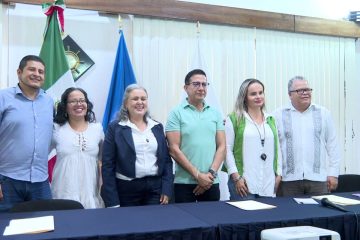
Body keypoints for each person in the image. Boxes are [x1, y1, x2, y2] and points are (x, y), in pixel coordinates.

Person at [101, 84, 173, 207]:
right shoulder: (115, 128)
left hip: (155, 189)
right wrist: (112, 200)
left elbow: (166, 160)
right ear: (125, 104)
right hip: (126, 190)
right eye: (135, 99)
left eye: (143, 99)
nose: (140, 102)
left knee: (155, 225)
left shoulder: (157, 127)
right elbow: (108, 165)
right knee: (130, 225)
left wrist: (166, 188)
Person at [0, 55, 53, 212]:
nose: (37, 74)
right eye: (32, 69)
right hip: (8, 181)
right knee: (6, 232)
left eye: (41, 71)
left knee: (45, 230)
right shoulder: (3, 97)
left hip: (40, 182)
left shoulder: (49, 101)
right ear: (19, 72)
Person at [273, 76, 341, 196]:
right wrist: (276, 174)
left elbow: (333, 145)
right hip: (288, 181)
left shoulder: (323, 113)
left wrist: (333, 173)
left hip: (318, 180)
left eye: (307, 89)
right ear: (290, 94)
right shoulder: (277, 116)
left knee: (321, 214)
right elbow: (274, 148)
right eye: (300, 90)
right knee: (289, 214)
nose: (305, 93)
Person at [166, 69, 226, 203]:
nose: (201, 88)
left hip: (212, 181)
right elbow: (174, 149)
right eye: (196, 84)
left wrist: (209, 175)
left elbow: (222, 146)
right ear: (186, 87)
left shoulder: (215, 113)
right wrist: (198, 176)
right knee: (186, 223)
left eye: (204, 84)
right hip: (184, 183)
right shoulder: (176, 113)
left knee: (213, 222)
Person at [224, 79, 282, 200]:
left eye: (261, 93)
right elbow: (226, 150)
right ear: (244, 97)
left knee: (267, 218)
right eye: (253, 94)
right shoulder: (235, 119)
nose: (258, 96)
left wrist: (279, 174)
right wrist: (236, 178)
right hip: (243, 184)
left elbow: (278, 149)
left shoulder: (271, 119)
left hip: (268, 184)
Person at [51, 87, 104, 209]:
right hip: (63, 193)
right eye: (73, 101)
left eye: (82, 100)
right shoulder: (56, 129)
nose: (79, 104)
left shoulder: (97, 129)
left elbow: (105, 160)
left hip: (91, 195)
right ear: (65, 106)